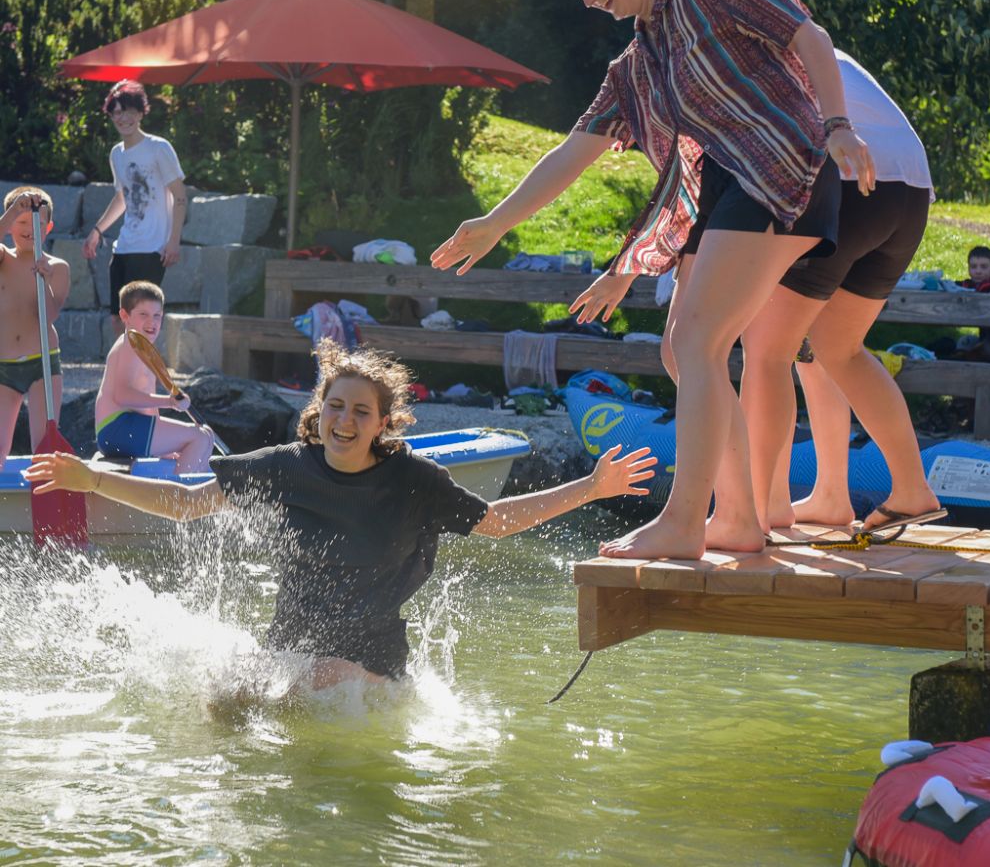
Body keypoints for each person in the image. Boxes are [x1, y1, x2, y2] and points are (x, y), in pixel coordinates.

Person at [432, 0, 873, 560]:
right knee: (680, 350)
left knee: (698, 340)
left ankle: (683, 520)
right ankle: (738, 520)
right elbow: (571, 154)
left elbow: (807, 35)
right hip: (727, 189)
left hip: (787, 170)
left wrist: (838, 125)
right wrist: (497, 222)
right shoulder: (634, 67)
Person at [31, 340, 655, 687]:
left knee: (321, 679)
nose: (345, 421)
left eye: (361, 411)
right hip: (290, 653)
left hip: (368, 669)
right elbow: (190, 504)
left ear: (384, 423)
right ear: (319, 410)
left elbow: (496, 520)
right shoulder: (284, 466)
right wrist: (94, 480)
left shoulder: (413, 480)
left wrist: (592, 488)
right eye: (336, 406)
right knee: (223, 694)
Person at [705, 50, 944, 532]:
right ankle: (895, 492)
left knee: (767, 348)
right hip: (910, 188)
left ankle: (756, 509)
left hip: (847, 178)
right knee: (835, 347)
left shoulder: (729, 49)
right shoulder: (812, 44)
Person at [82, 80, 188, 337]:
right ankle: (126, 374)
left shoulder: (158, 148)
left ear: (140, 113)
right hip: (125, 246)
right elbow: (122, 198)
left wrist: (173, 242)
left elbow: (181, 197)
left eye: (128, 111)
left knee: (143, 322)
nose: (123, 118)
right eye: (116, 112)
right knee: (118, 321)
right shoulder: (117, 154)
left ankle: (144, 376)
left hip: (152, 249)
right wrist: (98, 230)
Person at [95, 280, 214, 473]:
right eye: (143, 315)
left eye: (157, 315)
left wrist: (163, 447)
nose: (152, 322)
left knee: (207, 436)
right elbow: (122, 395)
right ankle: (179, 498)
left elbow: (148, 409)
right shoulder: (130, 344)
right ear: (125, 316)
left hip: (124, 429)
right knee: (199, 438)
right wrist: (170, 401)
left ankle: (191, 494)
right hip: (117, 429)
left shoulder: (143, 350)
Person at [0, 187, 71, 467]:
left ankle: (45, 501)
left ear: (48, 227)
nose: (30, 230)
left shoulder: (58, 267)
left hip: (42, 363)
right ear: (9, 226)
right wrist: (15, 208)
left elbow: (49, 316)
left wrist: (46, 282)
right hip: (4, 367)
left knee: (43, 445)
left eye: (37, 224)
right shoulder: (4, 258)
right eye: (21, 222)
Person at [957, 246, 990, 362]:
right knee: (963, 343)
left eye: (984, 267)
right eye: (973, 267)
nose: (978, 271)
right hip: (986, 338)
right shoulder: (967, 286)